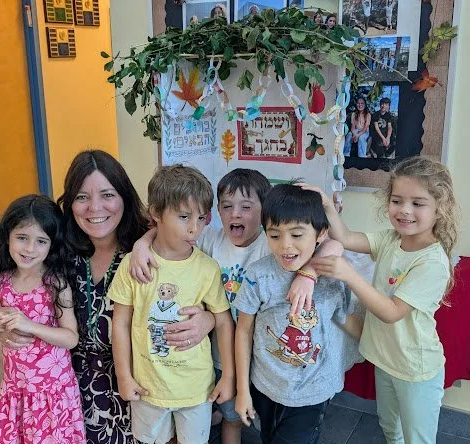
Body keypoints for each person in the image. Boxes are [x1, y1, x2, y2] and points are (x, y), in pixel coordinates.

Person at [0, 150, 215, 444]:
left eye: (107, 194)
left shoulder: (149, 254)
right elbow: (6, 281)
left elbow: (204, 291)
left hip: (139, 392)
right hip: (66, 397)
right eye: (82, 197)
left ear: (124, 196)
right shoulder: (57, 251)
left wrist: (208, 320)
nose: (95, 207)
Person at [129, 169, 343, 443]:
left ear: (264, 212)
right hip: (214, 351)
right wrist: (142, 244)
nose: (235, 214)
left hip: (259, 357)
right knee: (221, 409)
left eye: (246, 207)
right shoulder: (210, 239)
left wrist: (308, 273)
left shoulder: (273, 243)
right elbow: (168, 234)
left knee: (241, 416)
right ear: (217, 211)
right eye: (227, 206)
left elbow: (334, 245)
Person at [308, 156, 460, 444]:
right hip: (386, 360)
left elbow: (391, 312)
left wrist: (349, 274)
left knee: (418, 440)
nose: (405, 210)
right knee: (391, 429)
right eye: (397, 200)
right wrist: (327, 206)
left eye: (417, 203)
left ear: (440, 208)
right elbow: (346, 237)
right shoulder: (391, 239)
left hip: (415, 370)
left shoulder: (432, 262)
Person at [108, 164, 235, 444]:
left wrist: (228, 376)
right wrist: (123, 376)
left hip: (195, 387)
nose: (194, 228)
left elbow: (224, 321)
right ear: (156, 213)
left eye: (201, 218)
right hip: (148, 388)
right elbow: (120, 323)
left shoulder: (207, 268)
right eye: (184, 216)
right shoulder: (134, 264)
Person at [234, 184, 362, 444]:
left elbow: (345, 317)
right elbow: (244, 330)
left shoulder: (331, 275)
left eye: (297, 234)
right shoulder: (259, 276)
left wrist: (380, 342)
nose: (286, 245)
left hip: (312, 392)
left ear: (320, 233)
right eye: (275, 235)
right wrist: (242, 389)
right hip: (266, 385)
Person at [0, 194, 86, 443]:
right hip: (16, 390)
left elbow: (70, 338)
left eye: (41, 241)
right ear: (7, 237)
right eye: (22, 237)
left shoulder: (55, 284)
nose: (30, 249)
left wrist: (30, 325)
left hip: (53, 391)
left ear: (52, 245)